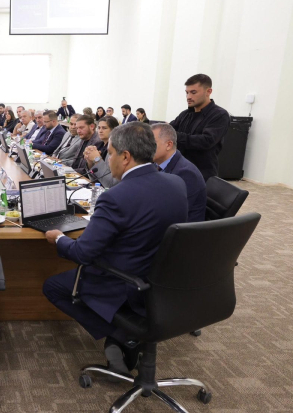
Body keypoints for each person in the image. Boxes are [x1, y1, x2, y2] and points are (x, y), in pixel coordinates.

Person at [42, 123, 188, 375]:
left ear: (125, 157)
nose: (107, 160)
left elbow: (82, 254)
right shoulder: (177, 183)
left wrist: (59, 238)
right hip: (164, 282)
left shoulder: (116, 196)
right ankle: (125, 334)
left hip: (124, 283)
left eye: (109, 154)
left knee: (53, 286)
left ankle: (123, 335)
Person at [169, 74, 230, 182]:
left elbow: (206, 141)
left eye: (193, 92)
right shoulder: (185, 114)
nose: (188, 97)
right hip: (179, 170)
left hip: (201, 174)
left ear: (208, 91)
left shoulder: (220, 115)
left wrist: (174, 135)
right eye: (187, 92)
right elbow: (168, 130)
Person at [152, 123, 207, 222]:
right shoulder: (156, 164)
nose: (146, 148)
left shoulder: (186, 173)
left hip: (181, 228)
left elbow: (172, 213)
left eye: (152, 144)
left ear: (169, 145)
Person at [75, 116, 119, 186]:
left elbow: (109, 183)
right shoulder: (99, 145)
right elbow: (94, 178)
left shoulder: (116, 149)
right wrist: (90, 162)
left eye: (104, 128)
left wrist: (97, 159)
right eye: (99, 128)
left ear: (114, 130)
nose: (100, 131)